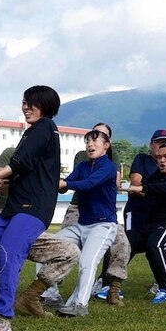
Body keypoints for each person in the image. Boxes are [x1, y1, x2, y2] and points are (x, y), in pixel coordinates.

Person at [0, 85, 62, 331]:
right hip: (15, 206)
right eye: (24, 102)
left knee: (7, 254)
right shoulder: (33, 132)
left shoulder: (46, 126)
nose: (25, 106)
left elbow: (20, 162)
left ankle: (2, 318)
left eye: (31, 102)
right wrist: (6, 182)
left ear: (45, 104)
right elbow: (28, 170)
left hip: (34, 208)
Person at [40, 121, 122, 306]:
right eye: (87, 142)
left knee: (87, 262)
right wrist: (50, 182)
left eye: (94, 141)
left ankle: (79, 305)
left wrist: (64, 184)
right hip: (81, 225)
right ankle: (50, 295)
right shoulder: (83, 166)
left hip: (103, 225)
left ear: (106, 145)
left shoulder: (108, 167)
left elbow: (88, 184)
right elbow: (65, 184)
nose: (90, 145)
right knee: (46, 249)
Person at [97, 129, 166, 306]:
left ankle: (163, 285)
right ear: (151, 145)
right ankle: (106, 281)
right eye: (157, 143)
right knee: (126, 244)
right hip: (136, 210)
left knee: (159, 245)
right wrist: (159, 190)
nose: (160, 147)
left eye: (164, 144)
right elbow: (136, 184)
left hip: (157, 213)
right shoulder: (142, 159)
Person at [124, 141, 166, 303]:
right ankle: (106, 284)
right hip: (149, 224)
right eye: (159, 157)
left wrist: (142, 189)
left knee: (157, 245)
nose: (162, 160)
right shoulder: (157, 176)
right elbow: (147, 191)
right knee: (122, 243)